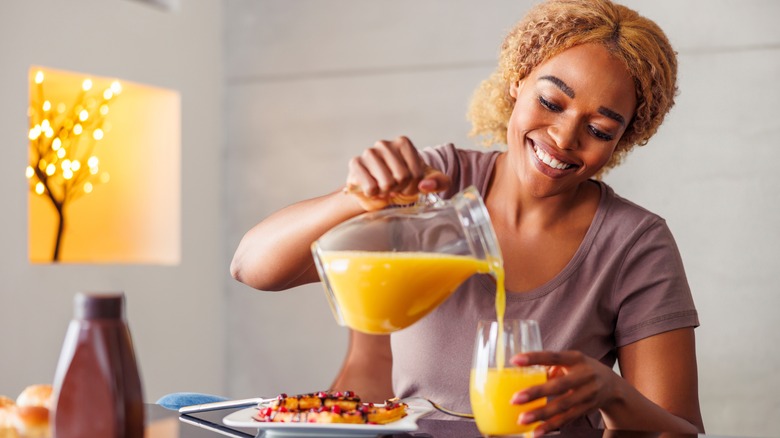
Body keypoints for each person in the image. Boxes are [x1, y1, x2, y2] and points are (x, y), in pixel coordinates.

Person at [230, 0, 704, 434]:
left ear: (622, 139)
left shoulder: (634, 244)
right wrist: (355, 198)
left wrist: (614, 394)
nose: (563, 137)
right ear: (518, 79)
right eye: (551, 102)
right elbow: (250, 267)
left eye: (599, 129)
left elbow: (680, 429)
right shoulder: (437, 184)